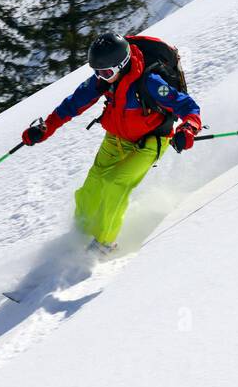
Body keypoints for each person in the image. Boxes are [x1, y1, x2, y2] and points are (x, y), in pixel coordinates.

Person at [21, 31, 201, 251]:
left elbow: (187, 106)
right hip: (117, 138)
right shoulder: (103, 80)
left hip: (151, 141)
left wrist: (188, 128)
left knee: (115, 183)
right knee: (93, 185)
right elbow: (72, 104)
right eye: (96, 72)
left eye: (105, 72)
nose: (100, 76)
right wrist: (45, 128)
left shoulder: (150, 82)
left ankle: (105, 243)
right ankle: (80, 233)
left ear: (123, 64)